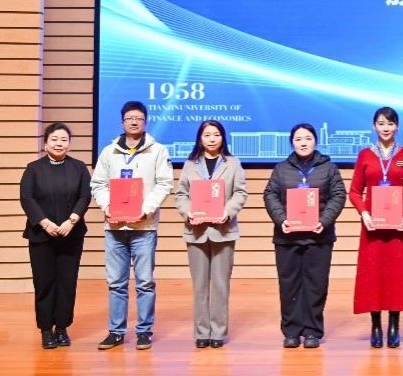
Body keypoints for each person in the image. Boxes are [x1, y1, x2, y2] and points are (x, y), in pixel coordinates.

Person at [90, 100, 173, 351]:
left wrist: (145, 209)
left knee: (144, 282)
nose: (134, 122)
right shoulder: (109, 152)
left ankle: (144, 331)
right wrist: (108, 208)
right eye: (129, 118)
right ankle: (116, 332)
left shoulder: (158, 151)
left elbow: (165, 183)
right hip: (115, 228)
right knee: (116, 282)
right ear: (122, 122)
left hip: (144, 228)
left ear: (145, 122)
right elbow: (98, 184)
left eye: (139, 118)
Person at [264, 122, 346, 349]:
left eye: (308, 138)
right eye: (298, 139)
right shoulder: (281, 169)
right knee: (289, 285)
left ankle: (312, 331)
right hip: (287, 237)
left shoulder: (329, 168)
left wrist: (324, 221)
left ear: (315, 142)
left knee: (316, 285)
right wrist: (282, 220)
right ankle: (291, 331)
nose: (303, 143)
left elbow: (338, 195)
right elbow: (270, 194)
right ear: (292, 143)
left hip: (319, 236)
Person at [348, 107, 403, 348]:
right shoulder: (365, 155)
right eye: (381, 123)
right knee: (373, 274)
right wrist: (364, 213)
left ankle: (394, 324)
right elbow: (355, 191)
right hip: (373, 227)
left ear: (397, 126)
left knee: (397, 274)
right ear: (374, 126)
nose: (386, 128)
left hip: (399, 226)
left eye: (390, 123)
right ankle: (376, 324)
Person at [173, 120, 248, 349]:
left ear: (223, 137)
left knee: (220, 285)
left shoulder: (233, 163)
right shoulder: (190, 164)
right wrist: (188, 213)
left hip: (223, 231)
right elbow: (181, 195)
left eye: (216, 134)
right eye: (207, 135)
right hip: (196, 231)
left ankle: (218, 332)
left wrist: (227, 212)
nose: (212, 139)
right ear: (200, 138)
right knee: (199, 286)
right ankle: (201, 332)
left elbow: (240, 193)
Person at [19, 122, 91, 349]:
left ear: (69, 144)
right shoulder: (33, 168)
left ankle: (61, 328)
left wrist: (72, 221)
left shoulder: (79, 168)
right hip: (42, 235)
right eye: (54, 139)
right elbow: (27, 198)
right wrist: (44, 223)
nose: (59, 143)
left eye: (64, 140)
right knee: (44, 282)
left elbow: (85, 196)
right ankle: (45, 330)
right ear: (45, 143)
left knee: (67, 282)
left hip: (71, 234)